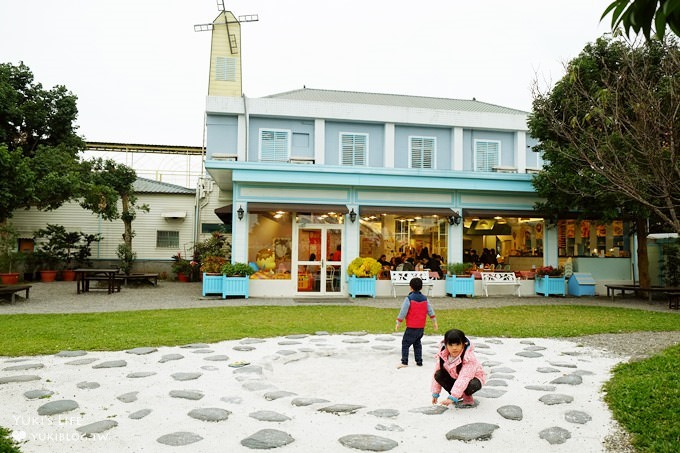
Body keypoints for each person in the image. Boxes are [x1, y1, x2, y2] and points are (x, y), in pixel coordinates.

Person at [431, 328, 486, 407]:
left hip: (473, 379)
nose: (454, 348)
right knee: (438, 374)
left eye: (457, 344)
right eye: (451, 345)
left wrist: (453, 397)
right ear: (446, 345)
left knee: (471, 384)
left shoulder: (469, 358)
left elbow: (464, 377)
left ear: (463, 344)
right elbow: (436, 372)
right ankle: (459, 395)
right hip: (455, 377)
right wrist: (435, 393)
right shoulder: (443, 356)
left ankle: (466, 395)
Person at [395, 277, 438, 368]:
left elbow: (403, 311)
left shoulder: (409, 298)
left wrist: (398, 322)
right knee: (417, 343)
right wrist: (434, 322)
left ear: (410, 287)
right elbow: (430, 311)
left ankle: (404, 362)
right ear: (421, 288)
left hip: (411, 326)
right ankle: (419, 361)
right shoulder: (425, 299)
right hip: (421, 327)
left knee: (405, 343)